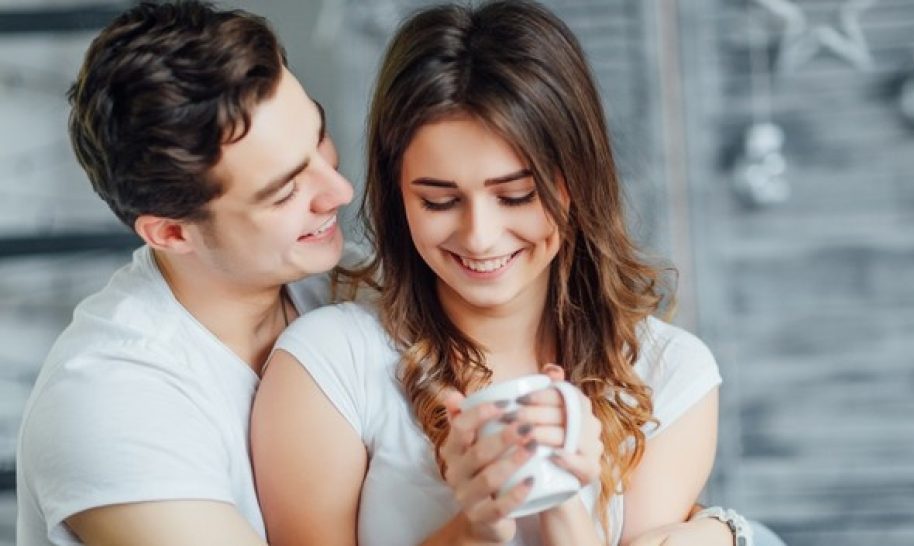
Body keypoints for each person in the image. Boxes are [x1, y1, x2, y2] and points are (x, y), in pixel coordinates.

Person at [252, 2, 777, 545]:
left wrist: (561, 500)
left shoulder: (670, 375)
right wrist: (474, 529)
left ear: (576, 179)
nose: (479, 236)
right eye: (438, 201)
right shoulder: (329, 364)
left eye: (516, 195)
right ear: (396, 194)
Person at [15, 2, 354, 545]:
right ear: (172, 233)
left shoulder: (356, 284)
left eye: (318, 138)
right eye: (286, 190)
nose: (340, 191)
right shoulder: (109, 405)